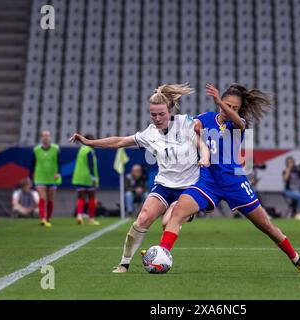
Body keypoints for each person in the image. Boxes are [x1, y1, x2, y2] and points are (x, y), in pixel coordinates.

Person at [158, 83, 300, 273]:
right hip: (208, 182)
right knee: (180, 209)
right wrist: (178, 116)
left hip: (235, 183)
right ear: (220, 102)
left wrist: (220, 103)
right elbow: (187, 124)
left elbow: (239, 122)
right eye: (227, 104)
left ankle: (297, 259)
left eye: (235, 107)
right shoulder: (206, 119)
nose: (230, 109)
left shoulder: (238, 123)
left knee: (266, 226)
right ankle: (161, 254)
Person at [69, 83, 210, 273]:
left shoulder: (186, 123)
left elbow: (202, 144)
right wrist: (89, 142)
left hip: (189, 187)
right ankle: (124, 263)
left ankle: (165, 249)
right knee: (142, 218)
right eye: (153, 114)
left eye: (161, 114)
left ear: (170, 110)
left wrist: (205, 157)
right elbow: (119, 141)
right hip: (164, 185)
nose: (158, 118)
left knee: (168, 222)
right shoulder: (149, 133)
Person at [31, 130, 62, 227]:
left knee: (50, 199)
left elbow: (59, 162)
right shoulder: (36, 149)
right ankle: (43, 219)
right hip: (40, 177)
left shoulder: (56, 149)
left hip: (52, 177)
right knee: (42, 198)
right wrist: (30, 176)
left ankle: (48, 218)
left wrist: (58, 173)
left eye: (47, 136)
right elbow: (32, 164)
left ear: (50, 137)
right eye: (44, 136)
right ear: (41, 138)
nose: (45, 137)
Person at [72, 134, 100, 225]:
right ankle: (91, 219)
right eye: (93, 139)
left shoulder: (81, 150)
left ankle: (79, 215)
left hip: (78, 178)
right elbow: (91, 165)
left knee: (81, 197)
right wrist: (93, 178)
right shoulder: (90, 151)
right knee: (92, 197)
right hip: (88, 178)